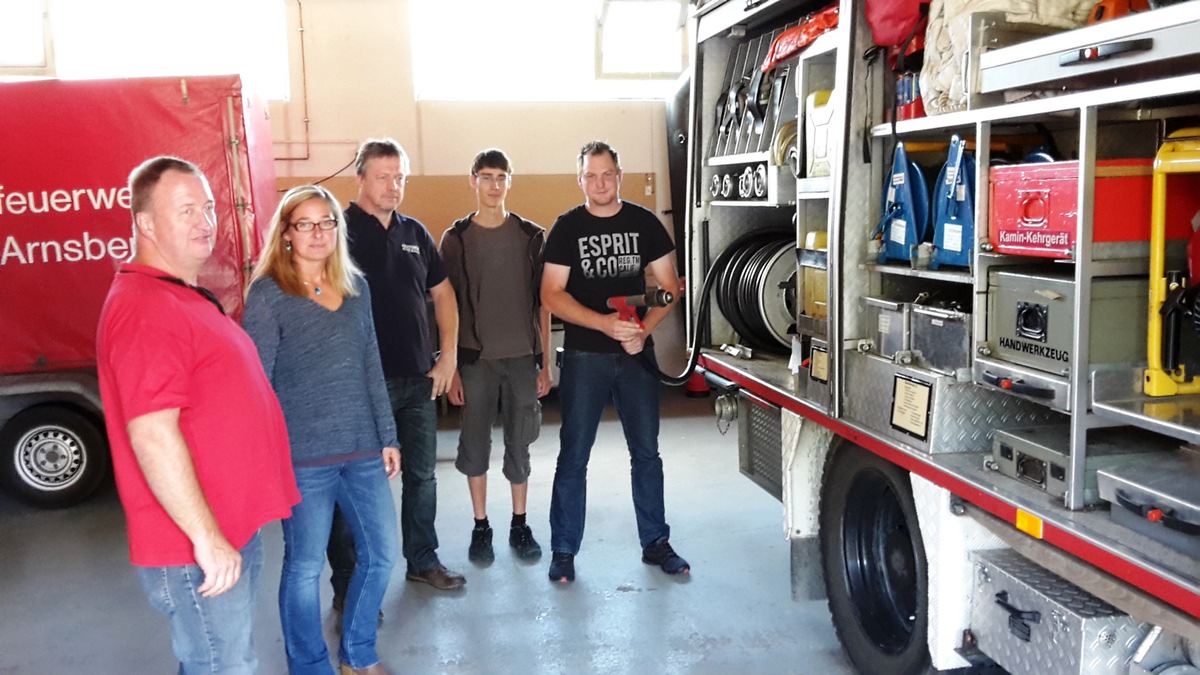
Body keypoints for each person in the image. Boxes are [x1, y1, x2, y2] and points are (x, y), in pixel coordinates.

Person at [95, 156, 301, 673]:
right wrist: (207, 539)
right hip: (196, 547)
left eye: (208, 207)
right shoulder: (145, 308)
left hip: (225, 530)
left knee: (213, 661)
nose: (205, 221)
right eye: (187, 210)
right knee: (224, 665)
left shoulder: (177, 295)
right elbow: (152, 436)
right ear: (145, 223)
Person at [242, 185, 400, 675]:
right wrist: (264, 455)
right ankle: (310, 665)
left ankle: (358, 653)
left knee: (382, 555)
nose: (317, 233)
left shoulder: (356, 287)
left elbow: (371, 363)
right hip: (303, 458)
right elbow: (256, 384)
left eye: (326, 222)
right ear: (286, 234)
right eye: (305, 224)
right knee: (305, 566)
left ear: (338, 229)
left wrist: (387, 435)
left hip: (362, 451)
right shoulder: (269, 295)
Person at [540, 140, 688, 583]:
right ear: (580, 179)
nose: (599, 183)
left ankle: (655, 542)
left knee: (646, 452)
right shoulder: (567, 228)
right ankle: (564, 549)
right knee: (574, 455)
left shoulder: (644, 223)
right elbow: (550, 295)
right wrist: (603, 325)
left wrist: (643, 329)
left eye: (607, 175)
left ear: (619, 176)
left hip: (635, 355)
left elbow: (668, 288)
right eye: (591, 176)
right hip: (587, 356)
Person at [328, 138, 466, 592]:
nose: (392, 186)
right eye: (383, 176)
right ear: (361, 178)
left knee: (422, 478)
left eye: (399, 177)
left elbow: (443, 294)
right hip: (362, 387)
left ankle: (422, 560)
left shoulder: (415, 234)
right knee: (358, 485)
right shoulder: (337, 233)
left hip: (418, 381)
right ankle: (350, 581)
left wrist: (448, 356)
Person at [439, 149, 551, 564]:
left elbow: (544, 303)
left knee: (520, 443)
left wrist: (545, 361)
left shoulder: (530, 236)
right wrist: (450, 368)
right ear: (472, 181)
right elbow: (445, 305)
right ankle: (481, 526)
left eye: (501, 177)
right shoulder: (456, 239)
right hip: (475, 361)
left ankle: (520, 524)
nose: (493, 185)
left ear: (509, 181)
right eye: (486, 177)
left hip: (522, 357)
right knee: (475, 446)